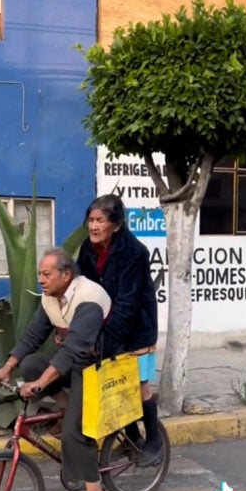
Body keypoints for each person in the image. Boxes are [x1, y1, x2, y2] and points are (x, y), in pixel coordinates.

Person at [0, 247, 115, 491]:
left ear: (66, 274)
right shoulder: (50, 298)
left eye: (46, 274)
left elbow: (71, 352)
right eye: (39, 275)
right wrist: (7, 367)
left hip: (96, 367)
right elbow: (33, 336)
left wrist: (41, 384)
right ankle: (65, 407)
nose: (41, 280)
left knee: (74, 432)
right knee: (32, 364)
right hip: (74, 362)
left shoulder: (89, 299)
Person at [77, 194, 161, 467]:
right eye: (91, 220)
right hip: (107, 326)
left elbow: (129, 303)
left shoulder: (133, 252)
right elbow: (82, 288)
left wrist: (105, 339)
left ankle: (154, 442)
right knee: (116, 387)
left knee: (138, 384)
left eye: (100, 220)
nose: (93, 226)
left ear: (116, 224)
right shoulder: (88, 249)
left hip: (136, 326)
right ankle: (132, 439)